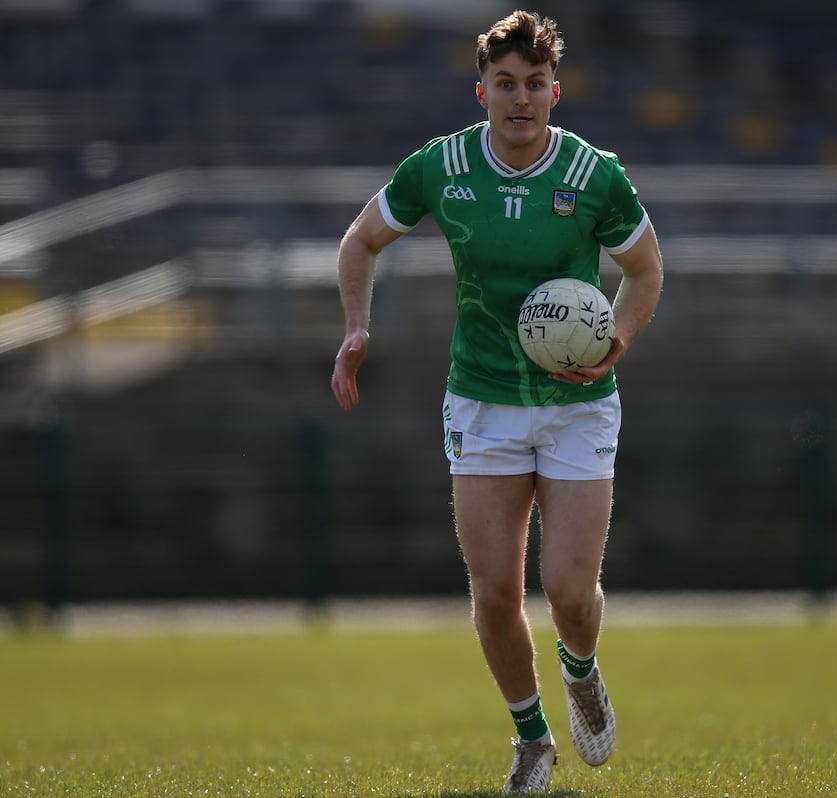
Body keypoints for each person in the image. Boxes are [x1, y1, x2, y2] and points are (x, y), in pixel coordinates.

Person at [330, 9, 663, 794]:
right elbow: (360, 240)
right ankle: (532, 739)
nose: (521, 98)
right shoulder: (441, 167)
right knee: (496, 594)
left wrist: (616, 339)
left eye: (534, 84)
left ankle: (580, 670)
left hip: (578, 401)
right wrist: (355, 327)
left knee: (571, 593)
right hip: (482, 401)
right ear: (480, 92)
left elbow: (646, 269)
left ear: (556, 92)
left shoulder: (593, 175)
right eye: (505, 84)